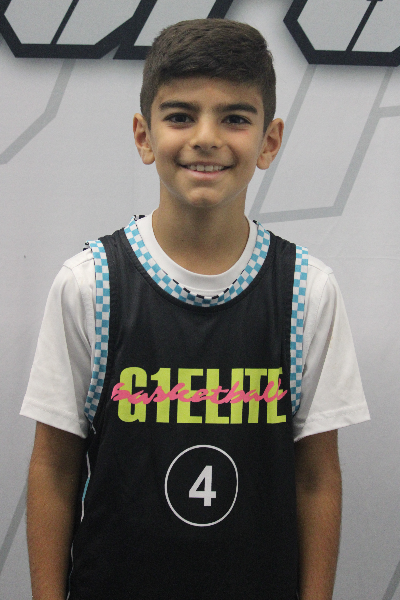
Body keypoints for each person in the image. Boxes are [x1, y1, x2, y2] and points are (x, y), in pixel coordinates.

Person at [21, 18, 370, 600]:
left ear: (269, 141)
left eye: (235, 118)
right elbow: (54, 469)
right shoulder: (89, 284)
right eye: (181, 116)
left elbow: (315, 477)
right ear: (144, 136)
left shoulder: (307, 289)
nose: (206, 137)